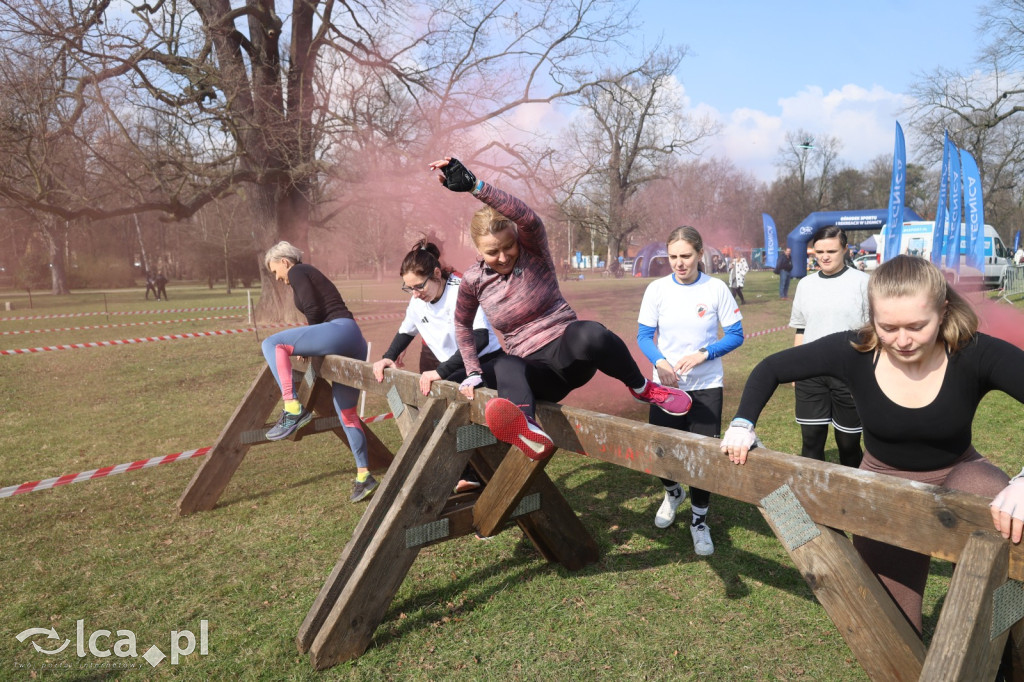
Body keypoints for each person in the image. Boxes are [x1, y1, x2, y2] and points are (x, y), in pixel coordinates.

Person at [721, 255, 1024, 634]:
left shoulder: (973, 351)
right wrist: (742, 423)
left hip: (960, 473)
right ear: (872, 317)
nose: (902, 340)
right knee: (893, 626)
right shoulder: (855, 351)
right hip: (883, 487)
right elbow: (771, 367)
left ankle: (1002, 649)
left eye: (917, 326)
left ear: (943, 311)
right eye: (888, 327)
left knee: (992, 528)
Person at [430, 156, 692, 462]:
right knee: (505, 364)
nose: (503, 256)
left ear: (517, 239)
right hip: (537, 375)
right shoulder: (473, 281)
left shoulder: (533, 253)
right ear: (478, 251)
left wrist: (476, 186)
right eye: (492, 252)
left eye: (508, 246)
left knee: (589, 332)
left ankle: (642, 387)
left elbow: (527, 218)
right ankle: (526, 427)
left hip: (572, 357)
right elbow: (462, 325)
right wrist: (473, 372)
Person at [637, 226, 744, 555]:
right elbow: (643, 336)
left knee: (702, 458)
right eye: (673, 257)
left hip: (707, 387)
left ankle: (699, 521)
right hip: (665, 388)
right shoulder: (656, 290)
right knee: (662, 452)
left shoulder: (716, 289)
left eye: (686, 256)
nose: (679, 263)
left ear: (699, 254)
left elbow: (736, 335)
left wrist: (704, 353)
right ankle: (672, 492)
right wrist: (661, 363)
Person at [372, 239, 505, 492]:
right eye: (408, 288)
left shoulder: (462, 291)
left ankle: (486, 479)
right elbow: (406, 331)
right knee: (439, 412)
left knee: (462, 416)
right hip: (456, 369)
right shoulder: (417, 300)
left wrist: (442, 371)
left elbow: (479, 337)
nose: (415, 293)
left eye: (419, 286)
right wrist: (389, 355)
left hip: (486, 364)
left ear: (436, 274)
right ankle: (468, 474)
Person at [260, 241, 377, 503]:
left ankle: (292, 409)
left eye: (275, 271)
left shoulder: (298, 272)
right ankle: (364, 476)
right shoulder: (305, 272)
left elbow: (312, 307)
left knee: (271, 343)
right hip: (352, 338)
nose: (278, 278)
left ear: (285, 262)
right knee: (346, 414)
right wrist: (312, 340)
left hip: (339, 330)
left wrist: (311, 340)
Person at [788, 226, 869, 468]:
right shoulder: (805, 284)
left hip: (850, 373)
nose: (824, 256)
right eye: (819, 251)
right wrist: (795, 367)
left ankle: (851, 498)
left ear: (845, 249)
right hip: (810, 373)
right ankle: (815, 499)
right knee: (811, 441)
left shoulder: (864, 282)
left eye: (831, 251)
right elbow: (800, 329)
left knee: (848, 444)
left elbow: (876, 330)